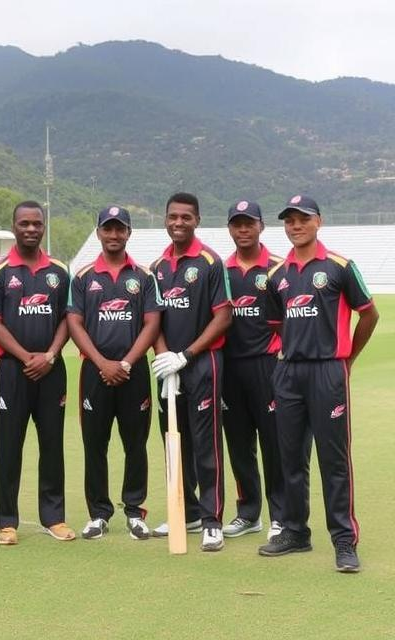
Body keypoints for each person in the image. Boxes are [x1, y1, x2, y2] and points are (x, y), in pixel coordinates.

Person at [258, 194, 379, 573]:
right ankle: (296, 531)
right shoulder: (277, 276)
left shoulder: (341, 266)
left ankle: (344, 542)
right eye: (289, 220)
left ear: (318, 222)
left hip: (328, 371)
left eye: (303, 219)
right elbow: (276, 324)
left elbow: (369, 315)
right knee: (290, 457)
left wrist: (347, 358)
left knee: (334, 459)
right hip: (289, 373)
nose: (296, 226)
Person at [67, 206, 161, 540]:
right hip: (95, 373)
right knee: (95, 445)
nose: (114, 235)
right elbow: (74, 322)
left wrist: (125, 363)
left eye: (120, 229)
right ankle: (99, 513)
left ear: (128, 233)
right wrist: (101, 363)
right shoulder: (83, 277)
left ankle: (135, 511)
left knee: (135, 444)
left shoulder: (144, 277)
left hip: (133, 373)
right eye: (108, 229)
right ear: (98, 233)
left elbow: (152, 322)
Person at [0, 201, 73, 545]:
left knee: (52, 445)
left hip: (52, 370)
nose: (31, 229)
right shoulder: (0, 272)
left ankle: (54, 518)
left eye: (37, 223)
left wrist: (50, 355)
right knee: (9, 445)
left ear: (44, 226)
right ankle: (6, 520)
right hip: (13, 370)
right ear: (14, 226)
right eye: (25, 223)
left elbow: (69, 318)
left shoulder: (59, 271)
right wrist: (25, 357)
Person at [151, 192, 232, 552]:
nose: (178, 223)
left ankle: (212, 519)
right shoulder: (157, 268)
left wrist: (186, 355)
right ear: (165, 219)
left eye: (186, 217)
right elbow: (153, 319)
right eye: (173, 217)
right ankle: (185, 511)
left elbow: (224, 316)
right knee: (174, 441)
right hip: (169, 366)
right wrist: (165, 357)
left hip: (203, 364)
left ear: (197, 219)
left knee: (206, 443)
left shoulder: (210, 261)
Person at [221, 200, 285, 541]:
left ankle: (281, 515)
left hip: (268, 365)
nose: (243, 230)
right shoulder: (222, 271)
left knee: (274, 442)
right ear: (229, 228)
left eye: (249, 223)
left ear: (261, 226)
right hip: (230, 367)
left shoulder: (277, 268)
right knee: (239, 443)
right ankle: (249, 512)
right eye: (237, 224)